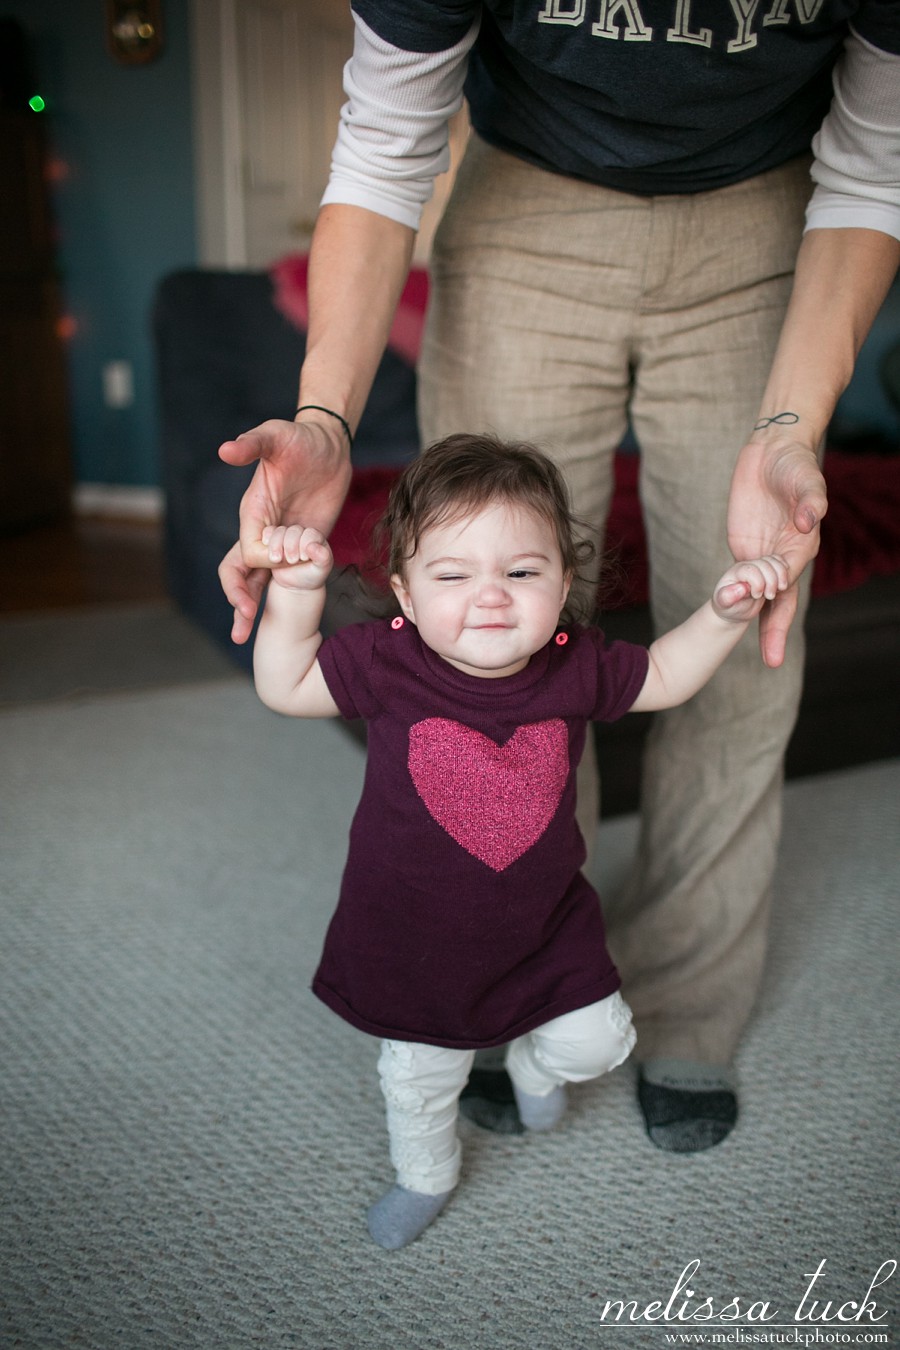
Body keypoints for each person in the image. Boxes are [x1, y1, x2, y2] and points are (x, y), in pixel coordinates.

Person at [218, 2, 900, 1151]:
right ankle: (499, 982)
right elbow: (385, 149)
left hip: (769, 221)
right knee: (487, 632)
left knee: (742, 630)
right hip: (527, 209)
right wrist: (324, 416)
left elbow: (877, 166)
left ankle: (684, 996)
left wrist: (792, 425)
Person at [252, 434, 791, 1248]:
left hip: (545, 926)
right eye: (453, 574)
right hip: (414, 936)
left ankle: (533, 1068)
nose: (492, 597)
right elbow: (284, 686)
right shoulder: (387, 662)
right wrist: (295, 592)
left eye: (522, 572)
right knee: (421, 1080)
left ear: (565, 584)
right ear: (403, 589)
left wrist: (721, 615)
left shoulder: (575, 665)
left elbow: (670, 677)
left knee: (600, 1038)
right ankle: (424, 1176)